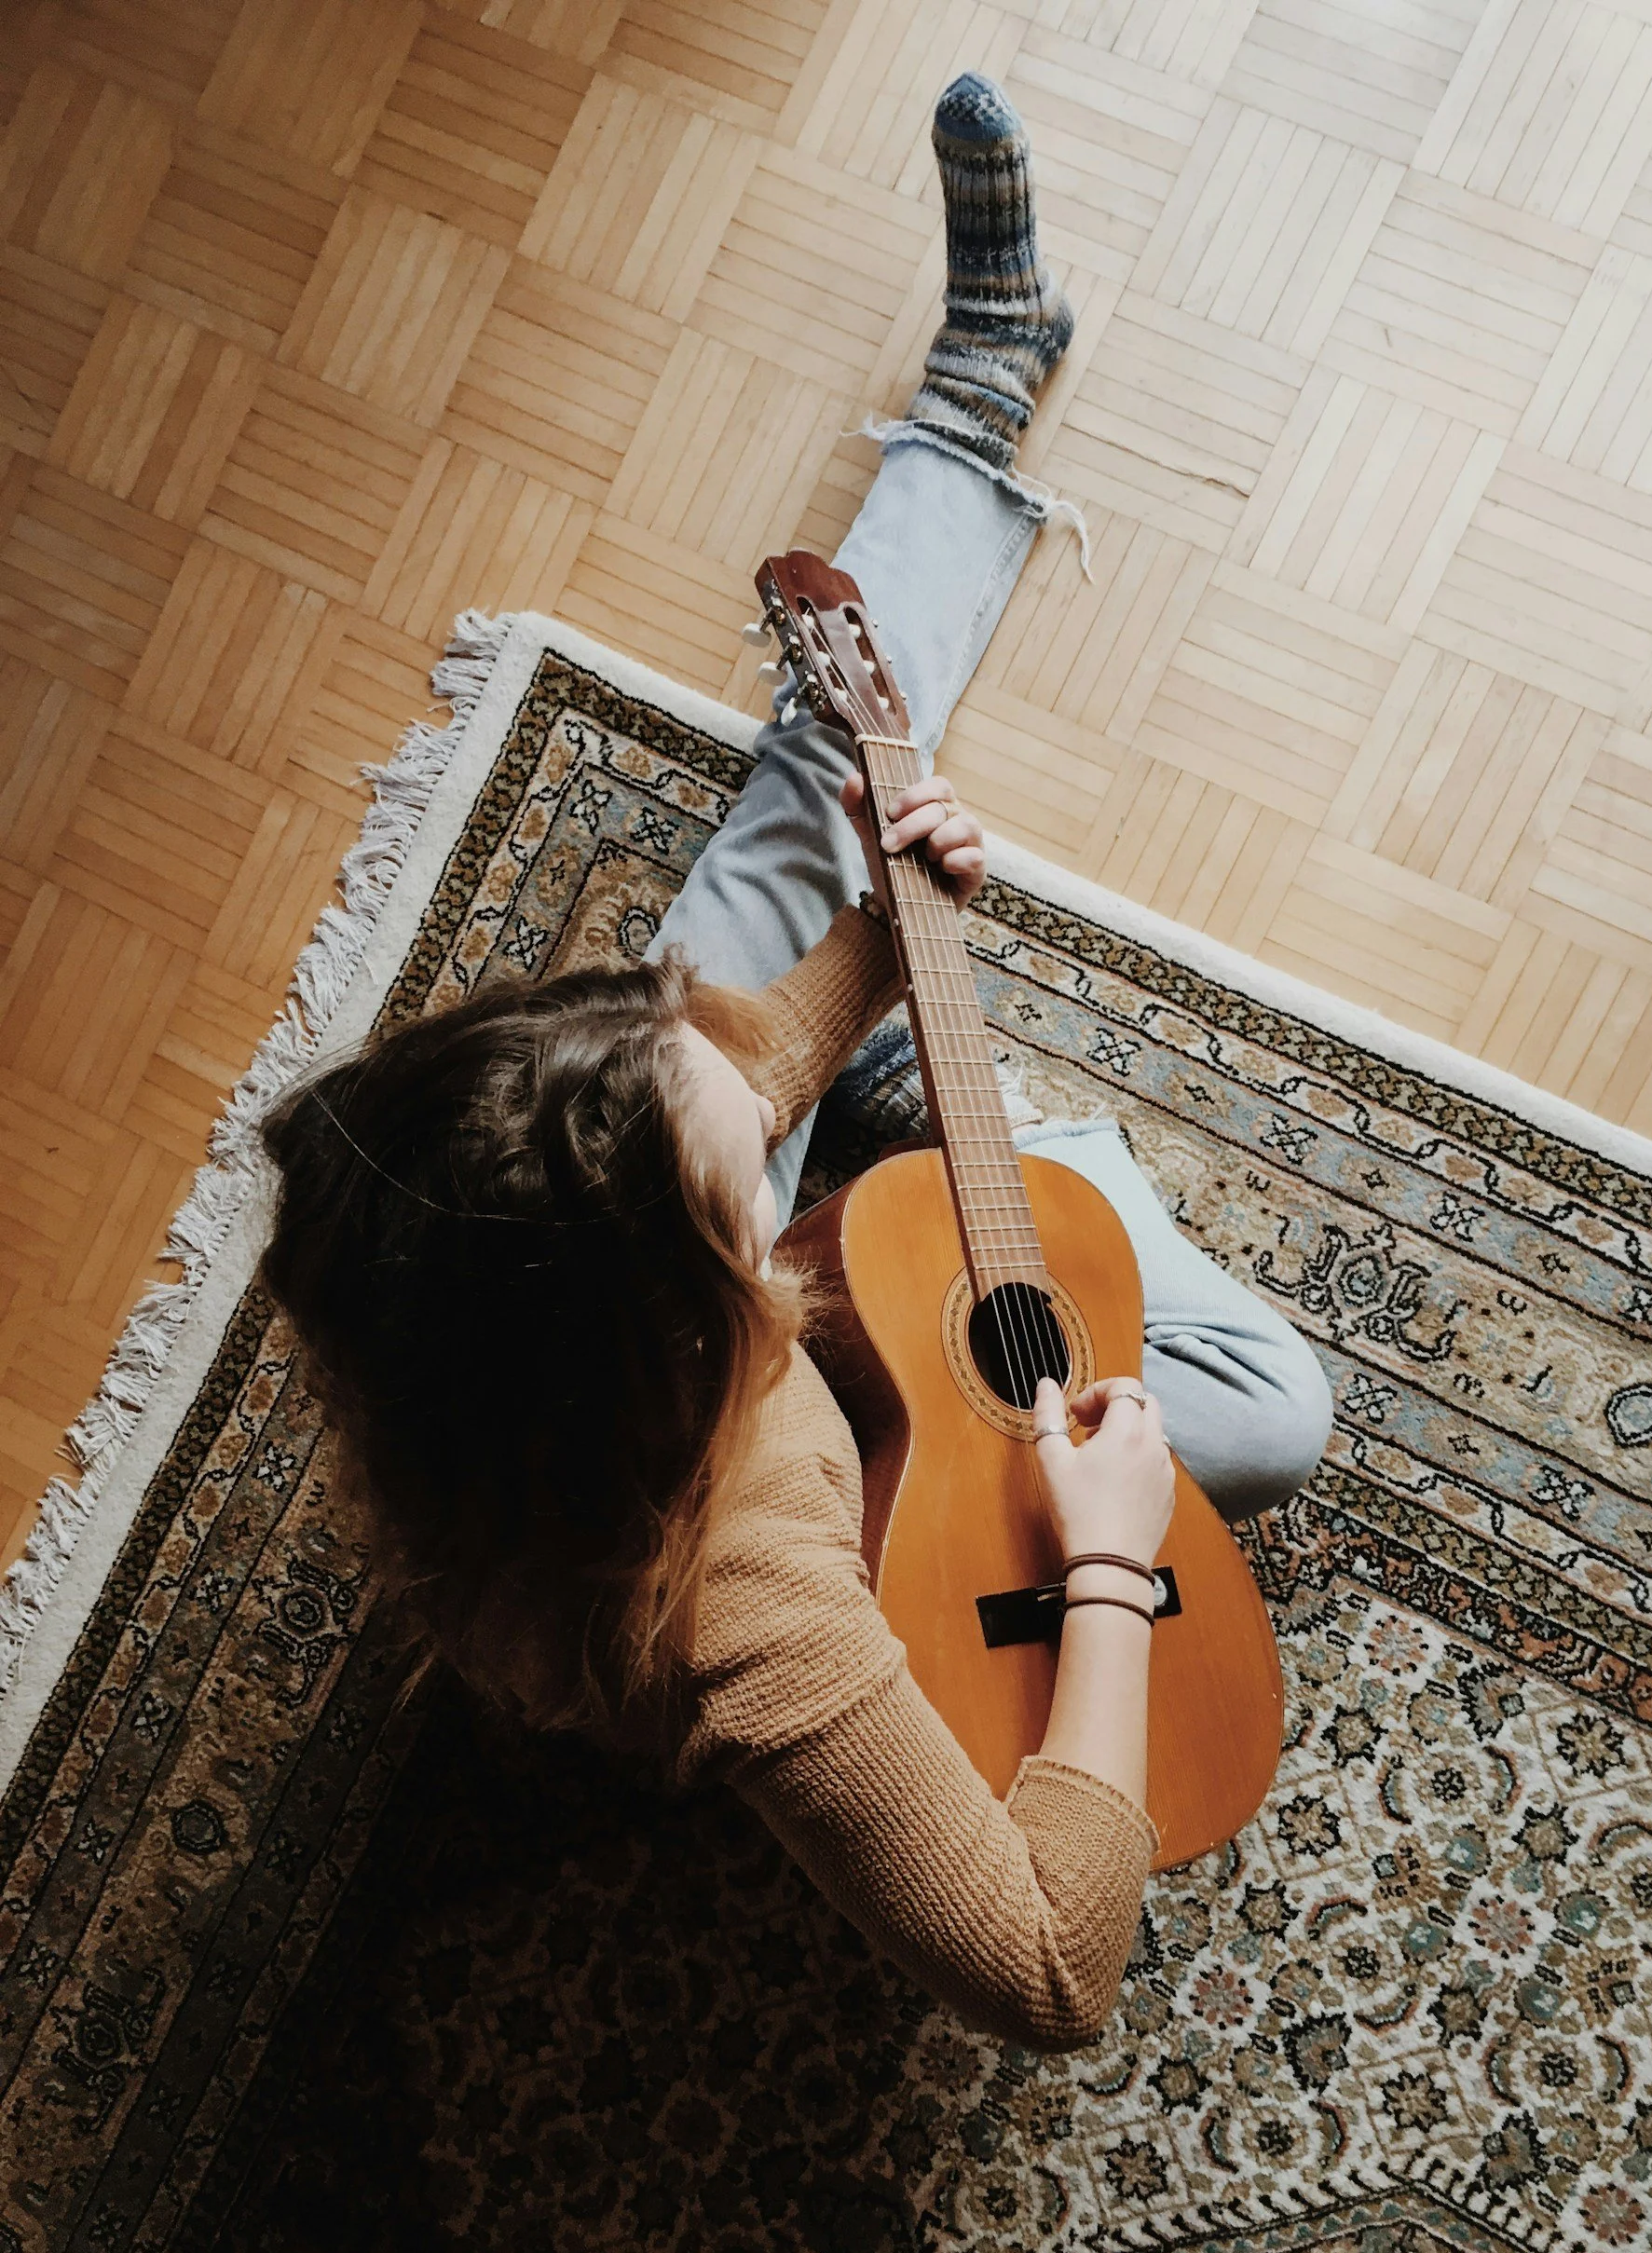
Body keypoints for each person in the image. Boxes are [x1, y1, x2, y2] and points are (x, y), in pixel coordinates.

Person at [261, 75, 1332, 2052]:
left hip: (688, 1307)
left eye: (697, 1076)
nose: (748, 1088)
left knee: (814, 813)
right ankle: (1013, 1174)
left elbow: (741, 1064)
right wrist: (1105, 1569)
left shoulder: (459, 1239)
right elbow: (1045, 1971)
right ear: (693, 1297)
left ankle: (975, 408)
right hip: (803, 1463)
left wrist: (891, 924)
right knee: (1273, 1412)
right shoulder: (742, 1583)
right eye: (733, 1155)